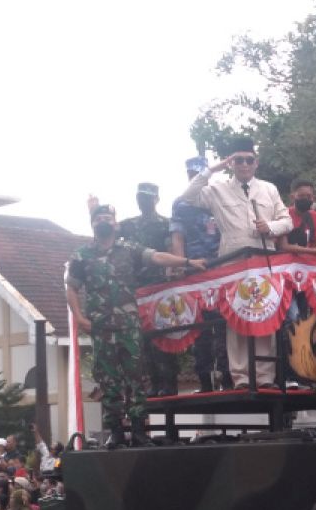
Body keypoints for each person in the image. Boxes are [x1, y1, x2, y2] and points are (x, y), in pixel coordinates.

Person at [67, 202, 206, 446]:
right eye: (98, 218)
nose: (103, 221)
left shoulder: (128, 249)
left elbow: (157, 257)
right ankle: (116, 431)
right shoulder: (82, 255)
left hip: (128, 325)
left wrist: (187, 262)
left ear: (115, 223)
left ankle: (139, 430)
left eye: (108, 217)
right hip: (101, 327)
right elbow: (72, 287)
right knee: (108, 381)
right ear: (92, 224)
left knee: (136, 378)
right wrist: (78, 317)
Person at [178, 139, 293, 389]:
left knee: (266, 314)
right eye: (238, 160)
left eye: (248, 160)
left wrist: (270, 227)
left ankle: (265, 377)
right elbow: (188, 197)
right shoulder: (217, 189)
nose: (243, 164)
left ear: (256, 162)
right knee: (237, 317)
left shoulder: (269, 189)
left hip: (263, 259)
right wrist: (212, 170)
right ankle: (241, 377)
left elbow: (287, 221)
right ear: (231, 162)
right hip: (233, 260)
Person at [171, 156, 232, 392]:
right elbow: (178, 237)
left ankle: (228, 378)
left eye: (199, 173)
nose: (194, 178)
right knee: (200, 329)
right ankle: (205, 381)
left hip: (223, 268)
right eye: (191, 174)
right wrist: (179, 266)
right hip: (195, 271)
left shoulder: (219, 196)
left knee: (225, 325)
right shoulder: (181, 204)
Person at [120, 182, 180, 397]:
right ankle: (154, 383)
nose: (143, 201)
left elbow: (172, 249)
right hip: (136, 288)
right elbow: (105, 236)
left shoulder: (166, 224)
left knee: (163, 335)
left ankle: (169, 383)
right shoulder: (127, 225)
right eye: (140, 197)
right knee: (144, 339)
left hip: (160, 287)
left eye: (147, 197)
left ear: (156, 199)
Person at [278, 179, 316, 265]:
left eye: (309, 197)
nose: (305, 199)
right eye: (301, 196)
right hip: (286, 264)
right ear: (292, 197)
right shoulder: (284, 214)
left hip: (307, 265)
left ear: (313, 198)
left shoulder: (313, 215)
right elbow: (283, 246)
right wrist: (315, 251)